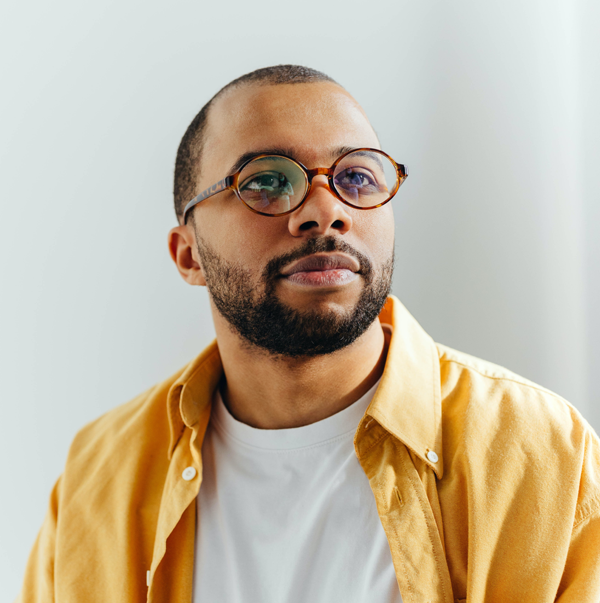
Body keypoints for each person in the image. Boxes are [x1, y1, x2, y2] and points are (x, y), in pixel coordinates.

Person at [18, 65, 600, 603]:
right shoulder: (97, 478)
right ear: (189, 255)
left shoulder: (543, 453)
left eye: (357, 177)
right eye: (267, 182)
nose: (325, 211)